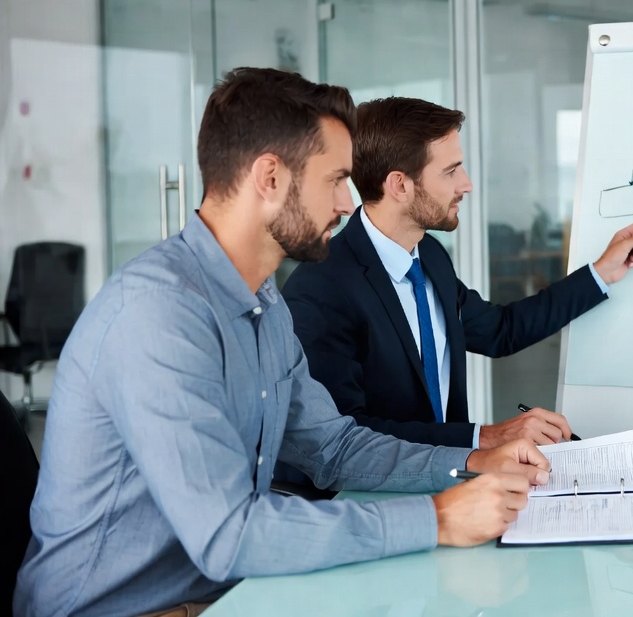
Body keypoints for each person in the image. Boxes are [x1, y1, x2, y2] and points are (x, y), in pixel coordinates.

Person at [15, 69, 548, 617]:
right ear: (270, 177)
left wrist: (474, 461)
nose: (347, 204)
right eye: (335, 180)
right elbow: (229, 534)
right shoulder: (157, 315)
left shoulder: (263, 301)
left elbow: (334, 448)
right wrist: (437, 519)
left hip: (222, 592)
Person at [282, 96, 633, 450]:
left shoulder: (428, 254)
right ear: (399, 185)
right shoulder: (322, 287)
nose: (466, 184)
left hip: (449, 484)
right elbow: (342, 436)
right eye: (450, 171)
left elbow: (500, 331)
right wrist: (486, 437)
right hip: (373, 504)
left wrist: (601, 273)